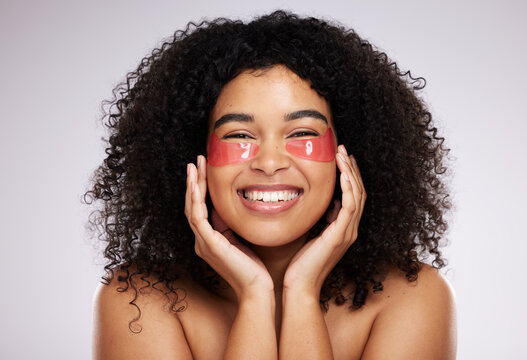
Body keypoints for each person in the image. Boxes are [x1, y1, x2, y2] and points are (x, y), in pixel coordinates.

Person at [87, 10, 456, 359]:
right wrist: (255, 296)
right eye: (239, 135)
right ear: (193, 157)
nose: (269, 163)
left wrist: (301, 293)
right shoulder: (138, 299)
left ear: (350, 155)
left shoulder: (411, 297)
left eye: (301, 132)